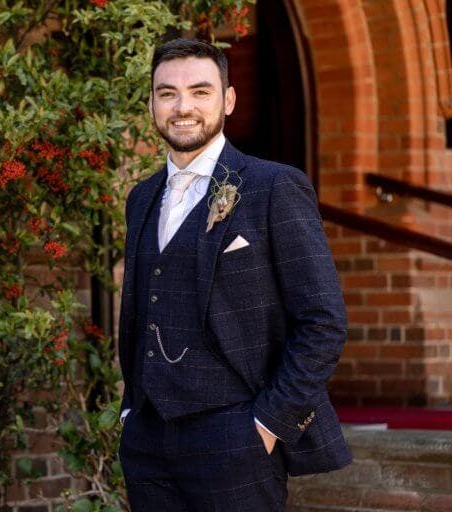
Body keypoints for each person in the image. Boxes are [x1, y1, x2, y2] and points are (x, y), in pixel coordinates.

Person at [117, 38, 351, 511]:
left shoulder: (273, 186)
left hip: (236, 439)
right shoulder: (141, 198)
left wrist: (267, 424)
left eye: (200, 91)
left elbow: (324, 321)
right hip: (148, 443)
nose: (183, 107)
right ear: (152, 104)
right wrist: (130, 414)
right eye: (167, 93)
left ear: (228, 100)